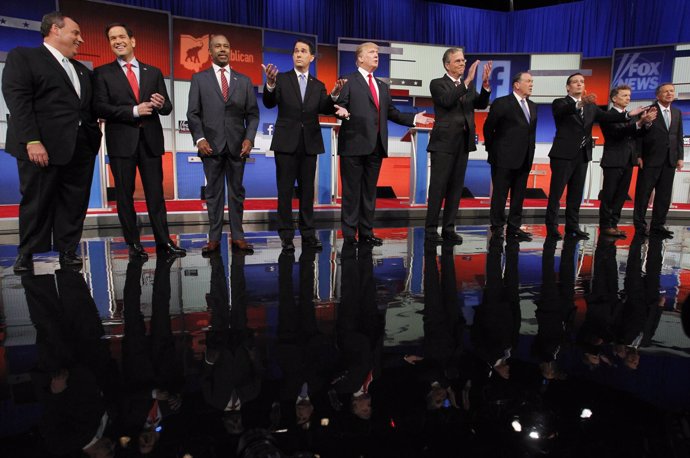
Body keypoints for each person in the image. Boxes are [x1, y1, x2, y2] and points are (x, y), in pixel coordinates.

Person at [2, 11, 102, 273]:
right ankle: (26, 253)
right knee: (37, 200)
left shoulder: (82, 70)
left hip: (80, 147)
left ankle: (68, 251)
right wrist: (32, 140)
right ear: (55, 30)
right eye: (75, 33)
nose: (80, 39)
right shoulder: (24, 57)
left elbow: (92, 107)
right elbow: (19, 102)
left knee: (74, 202)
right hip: (41, 147)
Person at [94, 23, 185, 259]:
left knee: (156, 195)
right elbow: (100, 106)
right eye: (112, 38)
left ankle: (164, 242)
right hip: (121, 143)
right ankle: (133, 244)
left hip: (150, 142)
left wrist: (160, 103)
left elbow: (167, 107)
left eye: (121, 36)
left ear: (133, 41)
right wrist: (134, 110)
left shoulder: (152, 72)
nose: (117, 41)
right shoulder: (103, 73)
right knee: (124, 195)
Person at [335, 42, 431, 246]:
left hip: (376, 146)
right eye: (372, 52)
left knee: (369, 193)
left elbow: (392, 113)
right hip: (353, 144)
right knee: (352, 193)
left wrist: (414, 119)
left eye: (378, 52)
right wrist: (340, 111)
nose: (376, 55)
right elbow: (337, 105)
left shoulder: (382, 86)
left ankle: (367, 232)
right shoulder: (348, 81)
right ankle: (350, 235)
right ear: (360, 58)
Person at [262, 40, 347, 252]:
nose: (298, 54)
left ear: (311, 57)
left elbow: (325, 109)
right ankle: (286, 236)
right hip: (286, 143)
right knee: (285, 191)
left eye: (303, 51)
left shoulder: (318, 85)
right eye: (296, 51)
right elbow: (269, 102)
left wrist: (335, 93)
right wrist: (270, 85)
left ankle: (308, 233)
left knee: (308, 192)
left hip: (309, 144)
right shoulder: (281, 79)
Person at [544, 73, 644, 240]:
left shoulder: (591, 107)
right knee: (556, 193)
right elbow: (563, 111)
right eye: (575, 82)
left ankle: (572, 227)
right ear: (568, 87)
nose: (579, 84)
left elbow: (609, 117)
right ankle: (552, 227)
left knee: (576, 194)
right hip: (563, 155)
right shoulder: (560, 103)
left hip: (582, 155)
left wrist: (629, 115)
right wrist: (581, 103)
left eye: (581, 82)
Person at [187, 34, 260, 254]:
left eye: (226, 46)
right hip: (210, 146)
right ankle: (214, 239)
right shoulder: (199, 79)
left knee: (237, 192)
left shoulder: (244, 81)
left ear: (230, 51)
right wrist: (199, 139)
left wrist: (249, 138)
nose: (222, 49)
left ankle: (238, 237)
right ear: (210, 51)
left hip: (238, 147)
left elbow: (253, 115)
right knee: (213, 194)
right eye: (217, 46)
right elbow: (193, 114)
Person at [425, 48, 491, 244]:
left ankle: (448, 229)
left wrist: (486, 87)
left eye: (463, 60)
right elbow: (446, 101)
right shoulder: (438, 84)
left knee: (455, 188)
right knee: (438, 188)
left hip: (463, 142)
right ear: (447, 65)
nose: (463, 64)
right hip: (443, 143)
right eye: (458, 61)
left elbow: (479, 104)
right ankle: (430, 231)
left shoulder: (467, 86)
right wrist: (468, 81)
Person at [483, 71, 536, 241]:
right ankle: (497, 228)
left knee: (519, 195)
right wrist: (494, 151)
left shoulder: (533, 105)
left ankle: (514, 227)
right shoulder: (502, 103)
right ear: (516, 84)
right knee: (500, 195)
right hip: (503, 158)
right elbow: (488, 128)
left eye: (532, 82)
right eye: (528, 81)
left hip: (524, 158)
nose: (531, 84)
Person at [598, 85, 656, 238]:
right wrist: (638, 123)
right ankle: (605, 225)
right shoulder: (607, 115)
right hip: (613, 160)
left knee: (621, 195)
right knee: (609, 195)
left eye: (629, 95)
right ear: (614, 98)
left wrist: (646, 123)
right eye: (624, 95)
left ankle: (614, 224)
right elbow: (617, 133)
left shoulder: (633, 117)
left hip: (628, 160)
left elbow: (638, 136)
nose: (628, 98)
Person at [634, 83, 684, 239]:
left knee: (664, 195)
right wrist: (638, 155)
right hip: (650, 159)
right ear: (658, 95)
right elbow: (639, 135)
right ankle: (640, 226)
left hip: (670, 160)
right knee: (643, 193)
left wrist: (680, 157)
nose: (670, 93)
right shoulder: (648, 111)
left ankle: (658, 225)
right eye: (666, 91)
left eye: (672, 91)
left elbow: (678, 136)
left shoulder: (677, 112)